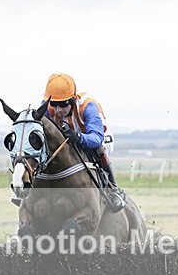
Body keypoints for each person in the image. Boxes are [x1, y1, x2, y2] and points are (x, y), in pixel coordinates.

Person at [42, 73, 125, 212]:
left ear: (73, 99)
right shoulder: (47, 106)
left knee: (98, 148)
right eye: (54, 104)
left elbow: (96, 137)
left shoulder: (88, 106)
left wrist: (78, 137)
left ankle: (113, 189)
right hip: (70, 135)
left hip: (96, 136)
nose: (58, 110)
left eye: (63, 105)